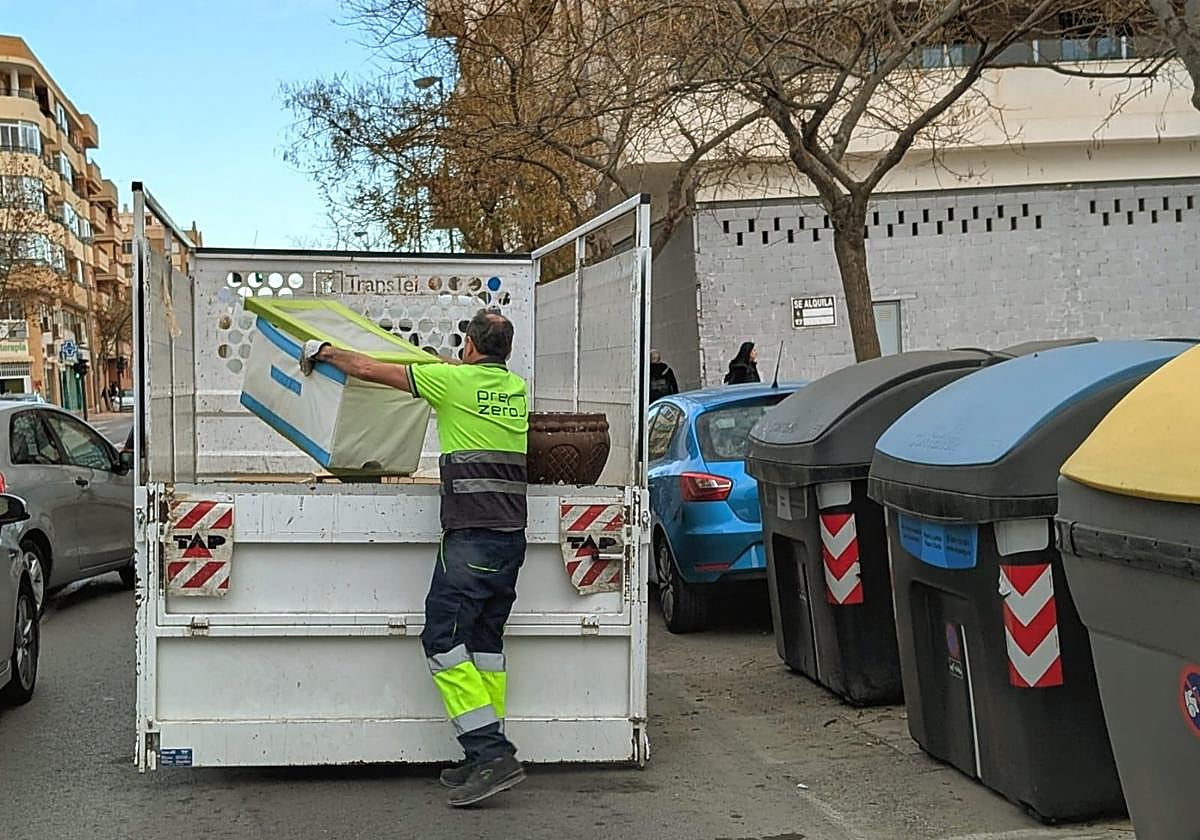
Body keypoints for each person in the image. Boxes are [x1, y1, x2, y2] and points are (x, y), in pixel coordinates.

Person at [300, 309, 528, 808]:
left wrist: (322, 352)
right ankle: (483, 751)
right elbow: (461, 374)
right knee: (484, 643)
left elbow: (366, 370)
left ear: (469, 344)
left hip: (471, 538)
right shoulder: (515, 389)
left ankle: (491, 752)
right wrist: (438, 361)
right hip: (511, 539)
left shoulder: (450, 383)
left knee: (442, 639)